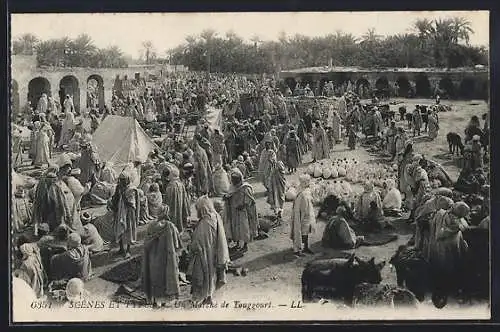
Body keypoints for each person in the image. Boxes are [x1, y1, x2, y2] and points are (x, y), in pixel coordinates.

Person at [187, 196, 230, 305]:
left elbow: (198, 242)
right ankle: (209, 296)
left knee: (204, 276)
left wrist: (192, 237)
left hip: (205, 254)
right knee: (211, 275)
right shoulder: (214, 216)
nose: (198, 212)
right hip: (214, 251)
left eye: (198, 209)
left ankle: (205, 297)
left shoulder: (205, 223)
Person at [142, 206, 182, 306]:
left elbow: (146, 243)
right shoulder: (170, 226)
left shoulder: (151, 225)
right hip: (167, 258)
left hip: (154, 258)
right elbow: (177, 245)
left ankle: (156, 301)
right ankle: (165, 301)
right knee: (166, 278)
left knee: (155, 278)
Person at [222, 169, 258, 252]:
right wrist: (226, 197)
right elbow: (229, 194)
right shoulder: (232, 187)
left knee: (244, 229)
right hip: (234, 212)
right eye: (233, 180)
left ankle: (245, 245)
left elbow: (250, 200)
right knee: (236, 229)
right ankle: (238, 244)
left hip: (243, 213)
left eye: (235, 180)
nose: (234, 182)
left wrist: (243, 205)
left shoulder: (246, 188)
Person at [109, 170, 139, 258]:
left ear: (127, 179)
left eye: (124, 180)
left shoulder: (131, 189)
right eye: (121, 180)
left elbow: (131, 203)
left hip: (129, 212)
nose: (122, 182)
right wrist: (113, 205)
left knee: (129, 230)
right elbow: (116, 198)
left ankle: (128, 250)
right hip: (120, 211)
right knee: (120, 229)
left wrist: (123, 194)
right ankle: (121, 249)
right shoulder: (119, 187)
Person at [290, 174, 316, 257]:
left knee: (306, 231)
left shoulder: (305, 191)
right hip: (302, 215)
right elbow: (301, 207)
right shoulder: (301, 193)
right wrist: (302, 217)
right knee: (300, 231)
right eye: (307, 182)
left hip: (306, 215)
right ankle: (297, 250)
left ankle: (305, 247)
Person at [163, 166, 191, 232]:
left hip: (172, 207)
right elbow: (185, 198)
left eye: (170, 174)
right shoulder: (180, 184)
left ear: (172, 175)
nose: (169, 176)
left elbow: (167, 199)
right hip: (180, 205)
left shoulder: (171, 186)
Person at [266, 152, 286, 219]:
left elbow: (282, 172)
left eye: (271, 159)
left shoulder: (279, 163)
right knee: (274, 196)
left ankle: (280, 210)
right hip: (273, 184)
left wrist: (277, 170)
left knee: (280, 196)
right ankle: (276, 211)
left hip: (279, 184)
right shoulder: (271, 166)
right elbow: (269, 175)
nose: (271, 161)